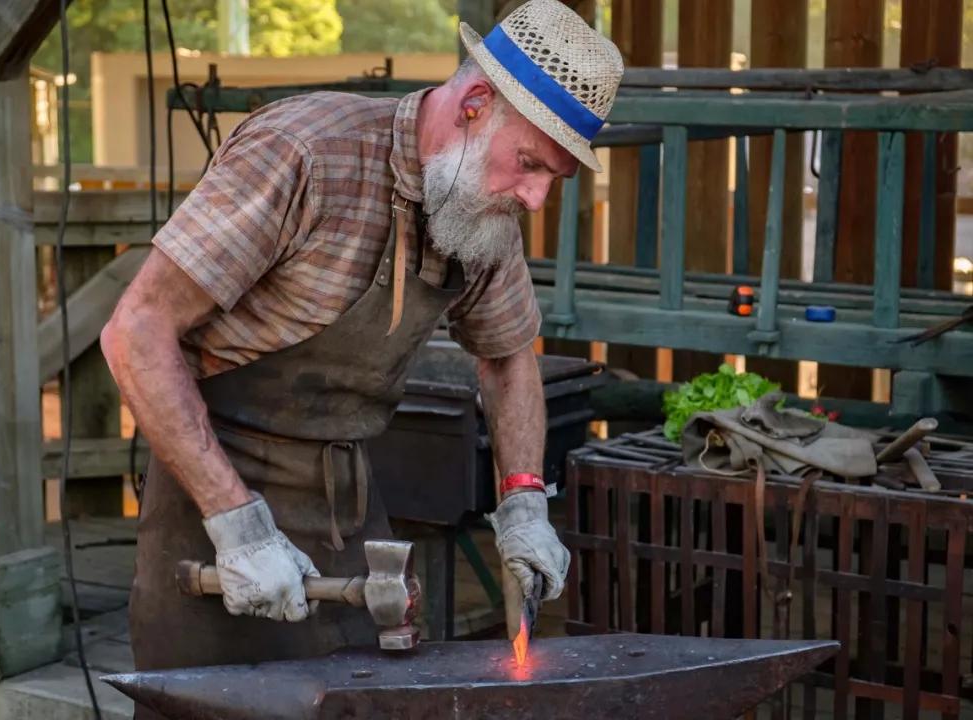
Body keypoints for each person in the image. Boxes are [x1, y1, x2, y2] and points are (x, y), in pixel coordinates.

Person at [101, 1, 622, 715]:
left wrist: (525, 502)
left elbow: (508, 358)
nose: (534, 197)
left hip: (350, 502)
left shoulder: (484, 212)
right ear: (474, 103)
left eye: (553, 178)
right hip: (210, 494)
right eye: (530, 163)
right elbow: (136, 329)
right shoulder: (304, 153)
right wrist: (236, 524)